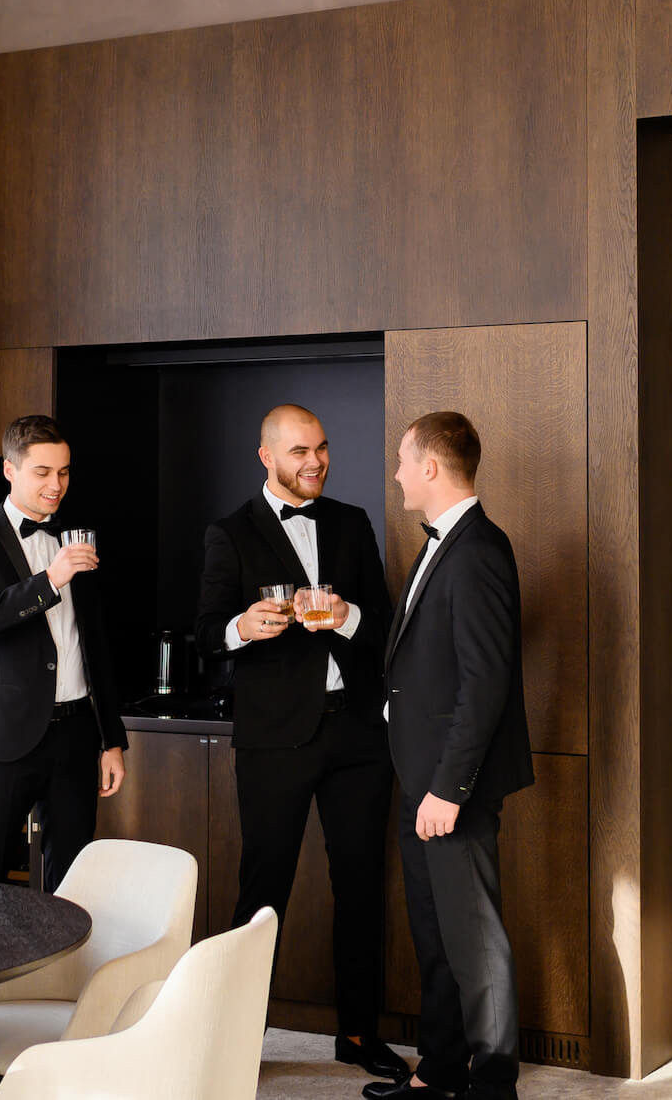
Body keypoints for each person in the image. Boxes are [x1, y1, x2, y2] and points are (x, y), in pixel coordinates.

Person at [195, 404, 407, 1083]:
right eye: (298, 452)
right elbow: (205, 636)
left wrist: (348, 618)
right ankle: (237, 1039)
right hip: (275, 739)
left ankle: (357, 1033)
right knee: (262, 894)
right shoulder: (228, 534)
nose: (313, 461)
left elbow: (386, 625)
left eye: (320, 448)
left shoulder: (351, 522)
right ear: (266, 456)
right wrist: (242, 627)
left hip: (358, 735)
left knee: (361, 887)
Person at [371, 411, 532, 1100]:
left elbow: (485, 681)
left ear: (431, 467)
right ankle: (437, 1073)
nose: (399, 473)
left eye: (405, 461)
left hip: (447, 787)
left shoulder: (479, 550)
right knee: (435, 935)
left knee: (475, 942)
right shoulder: (445, 544)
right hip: (421, 780)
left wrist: (449, 789)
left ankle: (493, 1085)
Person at [0, 414, 128, 893]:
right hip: (2, 737)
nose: (56, 485)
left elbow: (95, 644)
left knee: (72, 884)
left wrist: (112, 739)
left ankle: (60, 972)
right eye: (42, 472)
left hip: (76, 737)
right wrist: (48, 582)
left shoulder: (77, 536)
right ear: (10, 470)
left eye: (63, 472)